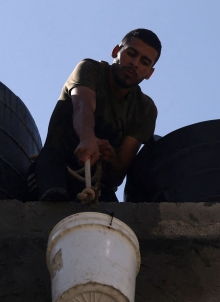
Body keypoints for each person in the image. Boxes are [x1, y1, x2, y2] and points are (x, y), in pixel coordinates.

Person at [34, 28, 161, 202]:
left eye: (144, 62)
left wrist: (111, 156)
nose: (135, 63)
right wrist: (87, 139)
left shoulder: (145, 109)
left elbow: (119, 172)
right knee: (49, 161)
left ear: (150, 73)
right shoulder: (90, 69)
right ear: (116, 51)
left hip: (98, 190)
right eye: (131, 54)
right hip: (55, 170)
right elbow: (82, 104)